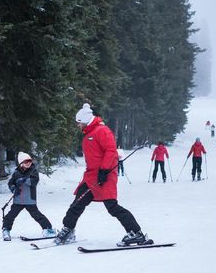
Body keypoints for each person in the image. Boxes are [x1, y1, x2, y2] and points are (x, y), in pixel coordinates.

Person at [54, 103, 151, 247]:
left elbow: (111, 151)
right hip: (91, 177)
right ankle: (68, 229)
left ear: (86, 120)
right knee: (77, 203)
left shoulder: (102, 131)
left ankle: (136, 233)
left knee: (112, 207)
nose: (77, 125)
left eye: (78, 122)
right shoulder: (89, 133)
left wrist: (104, 171)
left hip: (105, 176)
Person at [2, 152, 55, 241]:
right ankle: (6, 230)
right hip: (18, 200)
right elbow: (10, 183)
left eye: (30, 161)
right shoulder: (16, 173)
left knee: (37, 215)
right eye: (26, 161)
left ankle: (48, 229)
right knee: (11, 215)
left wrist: (24, 180)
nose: (28, 163)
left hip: (30, 199)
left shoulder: (33, 171)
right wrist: (14, 189)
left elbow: (34, 181)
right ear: (21, 163)